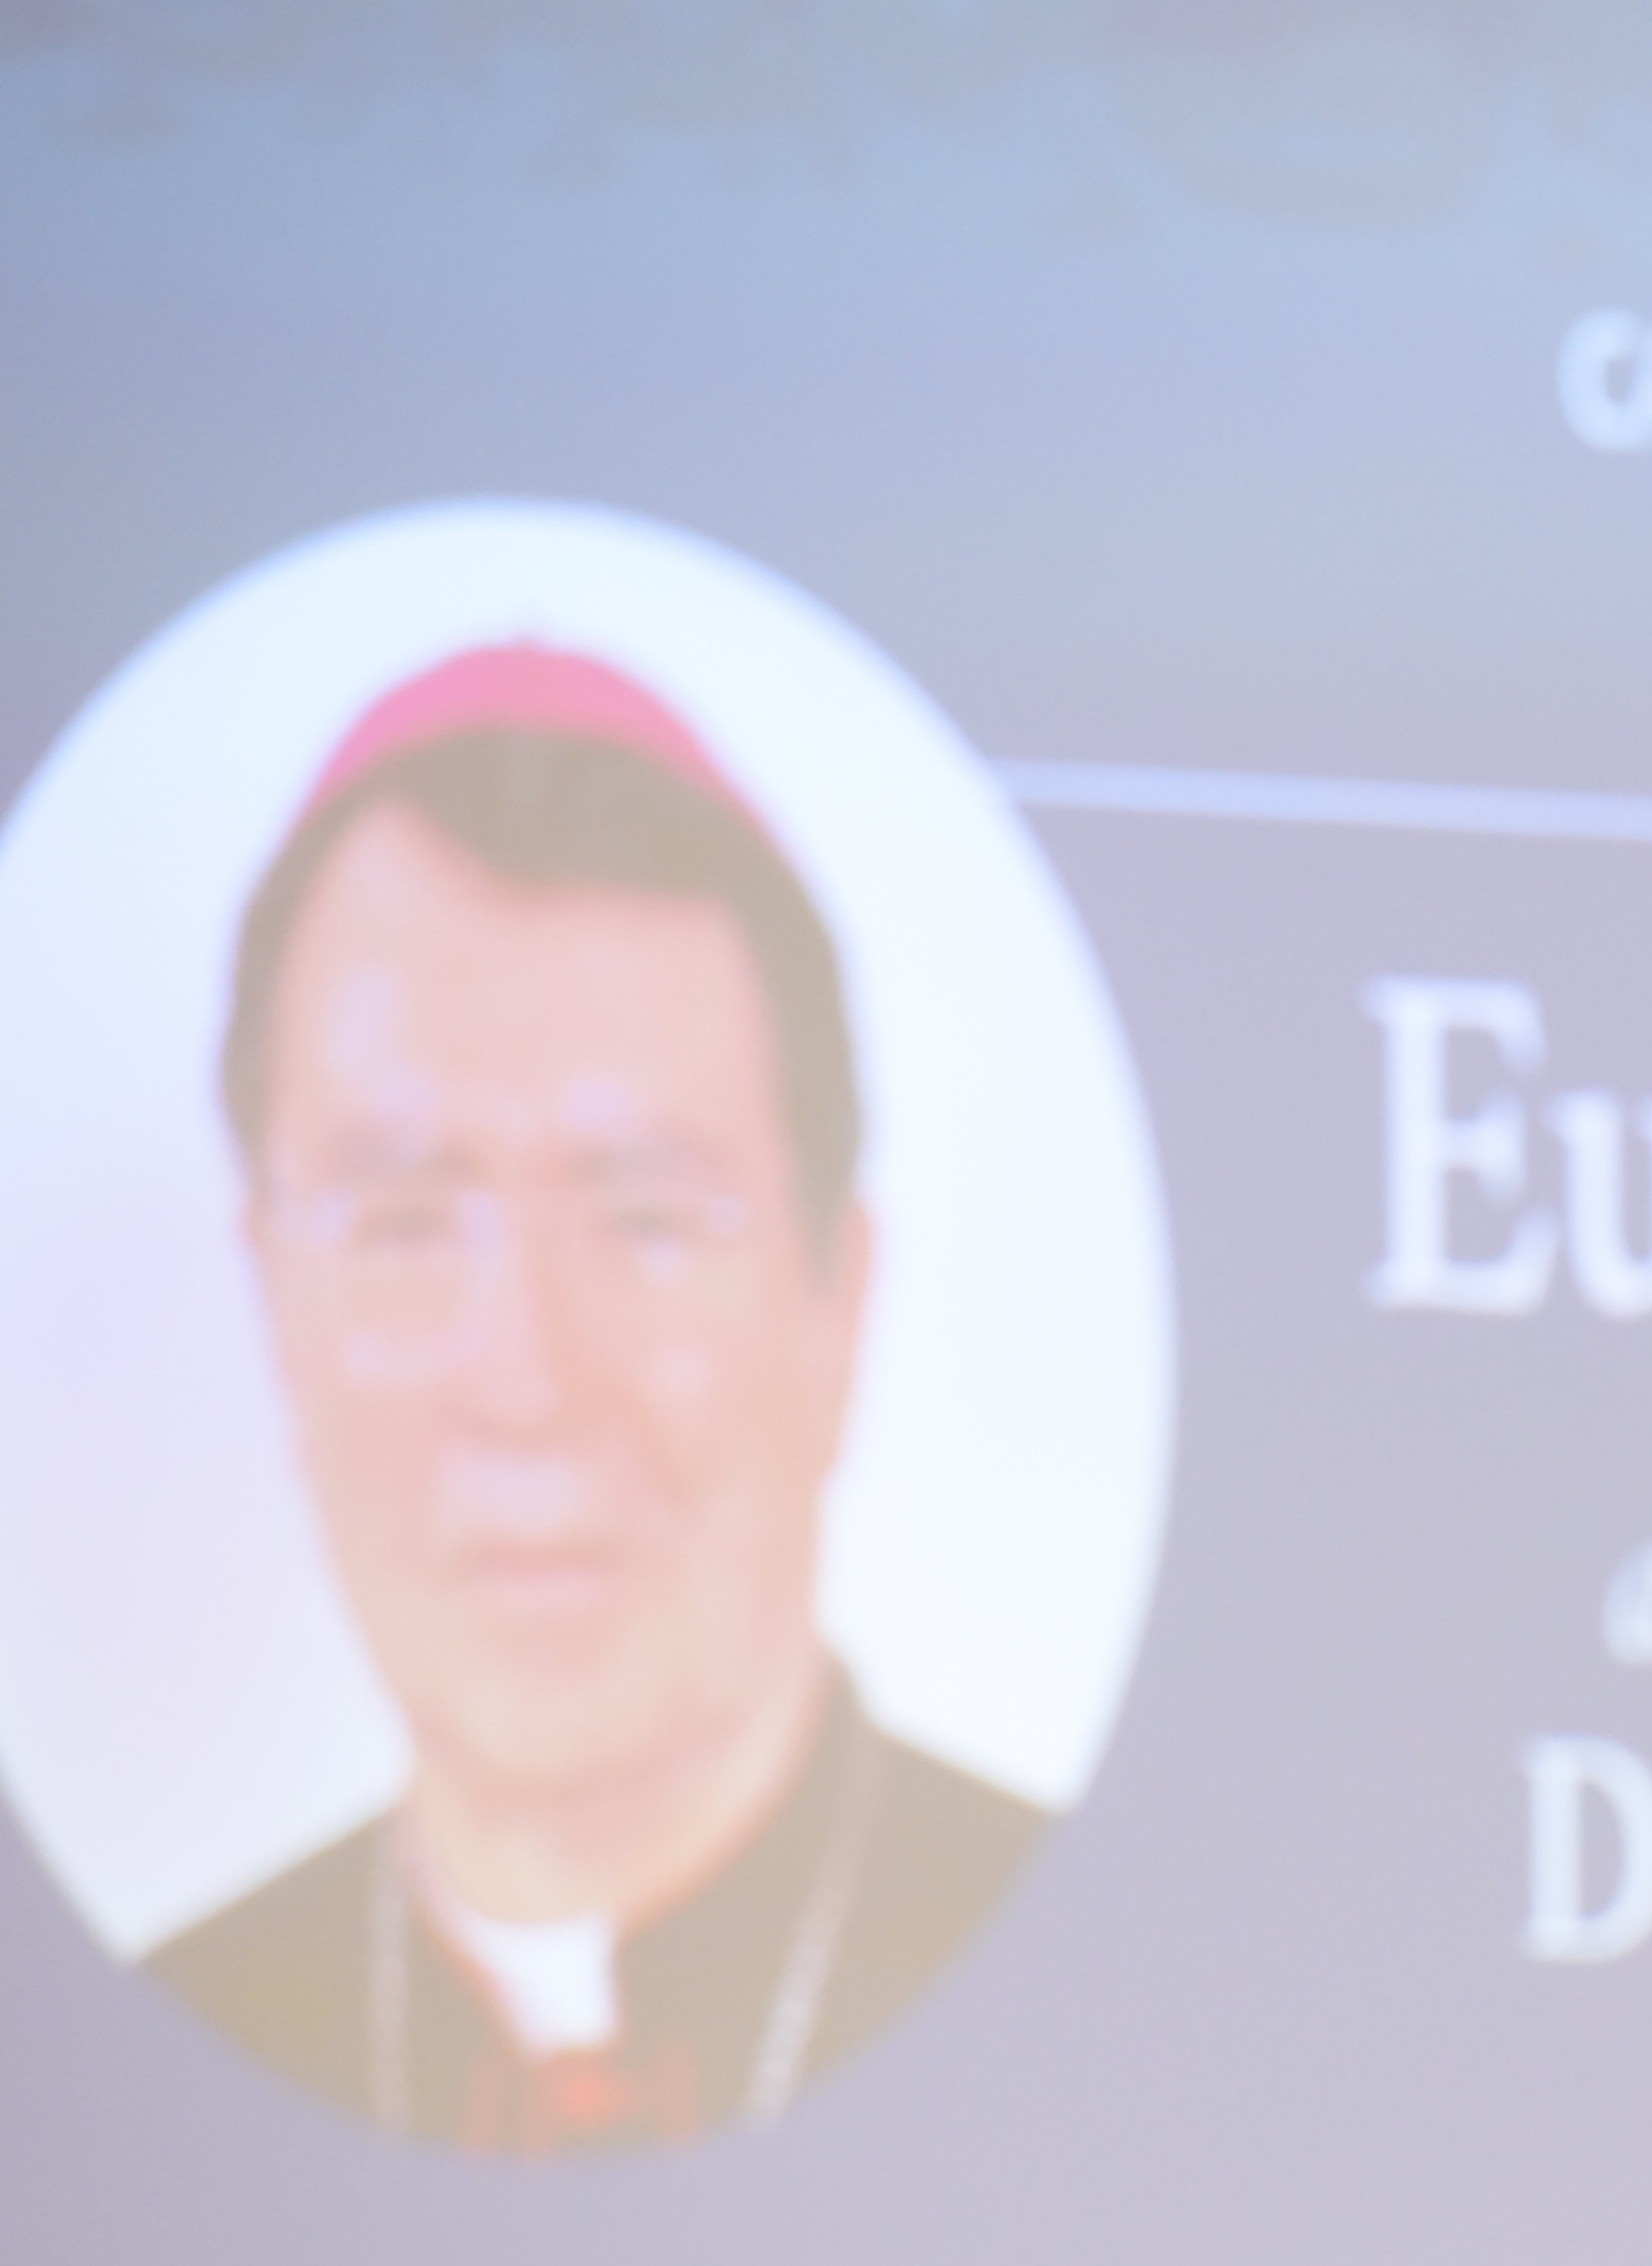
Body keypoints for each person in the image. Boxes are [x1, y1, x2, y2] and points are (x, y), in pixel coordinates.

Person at [147, 645, 1041, 2151]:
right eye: (406, 1225)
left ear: (842, 1302)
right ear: (273, 1311)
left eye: (646, 1218)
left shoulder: (1133, 1988)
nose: (525, 1382)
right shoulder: (128, 2063)